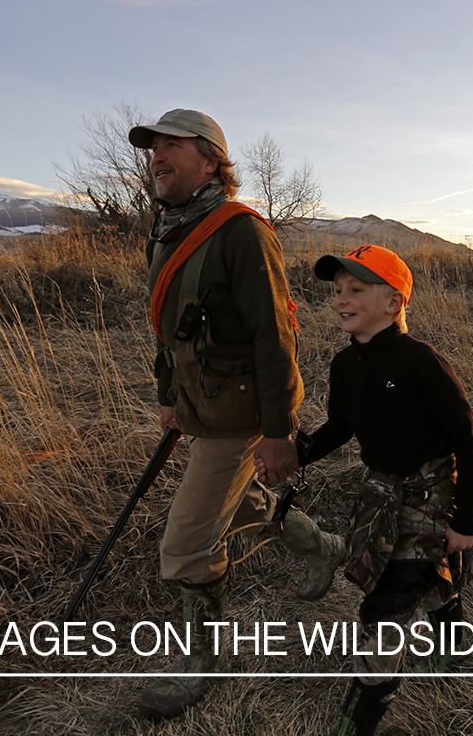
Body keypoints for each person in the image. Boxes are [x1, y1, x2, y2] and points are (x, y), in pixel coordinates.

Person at [128, 108, 345, 721]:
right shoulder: (169, 226)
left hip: (244, 411)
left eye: (171, 146)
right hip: (204, 404)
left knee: (187, 542)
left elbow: (276, 337)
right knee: (238, 504)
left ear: (211, 160)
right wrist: (169, 395)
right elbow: (170, 329)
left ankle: (202, 656)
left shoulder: (241, 231)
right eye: (153, 148)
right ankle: (322, 547)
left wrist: (278, 431)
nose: (157, 157)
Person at [263, 244, 473, 736]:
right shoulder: (345, 366)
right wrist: (297, 454)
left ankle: (357, 723)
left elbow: (468, 442)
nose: (342, 299)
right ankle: (454, 637)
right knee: (411, 578)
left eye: (357, 290)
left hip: (432, 497)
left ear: (394, 301)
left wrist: (465, 524)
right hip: (379, 495)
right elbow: (341, 427)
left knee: (384, 607)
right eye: (338, 290)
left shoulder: (421, 362)